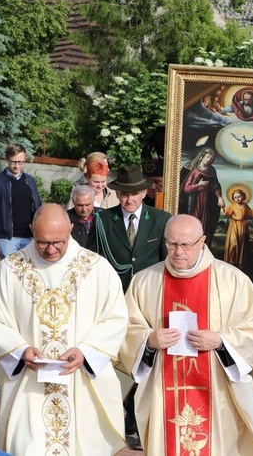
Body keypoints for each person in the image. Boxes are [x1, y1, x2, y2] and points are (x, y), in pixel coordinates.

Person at [0, 204, 128, 455]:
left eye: (59, 242)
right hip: (30, 386)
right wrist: (20, 349)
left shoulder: (96, 268)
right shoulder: (11, 269)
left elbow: (116, 318)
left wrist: (86, 351)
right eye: (42, 242)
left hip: (81, 385)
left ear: (71, 229)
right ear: (31, 231)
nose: (51, 250)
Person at [120, 214, 253, 455]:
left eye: (185, 244)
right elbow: (126, 329)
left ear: (202, 241)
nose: (178, 251)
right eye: (171, 244)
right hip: (163, 386)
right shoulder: (145, 281)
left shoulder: (232, 280)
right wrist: (149, 340)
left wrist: (221, 340)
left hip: (217, 389)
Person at [86, 164, 170, 450]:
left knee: (141, 363)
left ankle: (135, 423)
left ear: (145, 192)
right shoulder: (101, 221)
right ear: (117, 194)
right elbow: (90, 263)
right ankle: (110, 416)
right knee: (115, 362)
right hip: (112, 303)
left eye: (135, 194)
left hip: (146, 307)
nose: (130, 199)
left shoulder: (160, 221)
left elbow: (166, 266)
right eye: (124, 194)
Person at [0, 143, 42, 259]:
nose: (17, 166)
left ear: (24, 159)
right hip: (7, 239)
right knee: (12, 274)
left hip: (30, 238)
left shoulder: (30, 181)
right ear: (7, 160)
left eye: (20, 162)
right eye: (13, 162)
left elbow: (38, 208)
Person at [179, 148, 224, 247]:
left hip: (207, 203)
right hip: (195, 203)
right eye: (207, 157)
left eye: (211, 158)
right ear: (202, 156)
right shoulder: (195, 170)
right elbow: (186, 189)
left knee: (205, 226)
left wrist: (219, 197)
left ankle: (203, 248)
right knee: (194, 225)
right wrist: (198, 185)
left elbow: (215, 185)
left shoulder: (211, 170)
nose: (208, 160)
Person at [221, 187, 253, 269]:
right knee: (233, 243)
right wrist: (223, 207)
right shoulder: (233, 205)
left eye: (239, 196)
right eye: (235, 197)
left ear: (243, 196)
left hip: (243, 226)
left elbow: (250, 213)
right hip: (234, 226)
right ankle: (231, 261)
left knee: (242, 244)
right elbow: (227, 212)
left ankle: (240, 262)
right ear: (233, 198)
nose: (237, 199)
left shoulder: (245, 205)